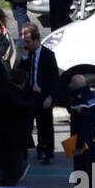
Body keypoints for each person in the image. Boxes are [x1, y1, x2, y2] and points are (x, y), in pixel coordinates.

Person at [20, 23, 59, 162]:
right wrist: (24, 58)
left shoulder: (47, 55)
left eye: (28, 42)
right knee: (26, 122)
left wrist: (50, 96)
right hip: (30, 92)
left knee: (45, 124)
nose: (26, 45)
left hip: (43, 93)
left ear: (36, 40)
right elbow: (20, 73)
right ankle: (26, 149)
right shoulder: (28, 54)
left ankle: (46, 151)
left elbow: (54, 78)